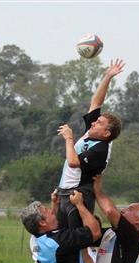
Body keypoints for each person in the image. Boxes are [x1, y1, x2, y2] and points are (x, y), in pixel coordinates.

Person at [56, 58, 124, 230]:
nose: (94, 123)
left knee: (77, 240)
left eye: (99, 123)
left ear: (106, 133)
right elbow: (96, 102)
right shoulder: (93, 134)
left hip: (79, 194)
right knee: (62, 239)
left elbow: (73, 163)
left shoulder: (101, 149)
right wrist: (108, 76)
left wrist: (69, 138)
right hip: (65, 192)